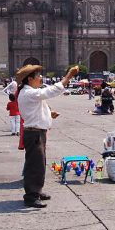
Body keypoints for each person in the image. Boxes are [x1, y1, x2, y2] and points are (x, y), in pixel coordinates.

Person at [16, 63, 79, 208]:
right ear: (29, 79)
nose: (40, 78)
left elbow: (34, 111)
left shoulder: (30, 92)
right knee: (35, 165)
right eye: (38, 76)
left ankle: (37, 190)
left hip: (36, 132)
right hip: (34, 134)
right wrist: (69, 76)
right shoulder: (29, 93)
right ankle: (31, 196)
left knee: (39, 163)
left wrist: (49, 114)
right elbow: (52, 91)